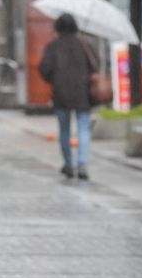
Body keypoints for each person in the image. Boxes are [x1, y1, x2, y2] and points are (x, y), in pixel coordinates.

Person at [39, 13, 99, 180]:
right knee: (83, 129)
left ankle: (68, 164)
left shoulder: (53, 46)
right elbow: (96, 65)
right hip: (82, 93)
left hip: (61, 94)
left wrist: (54, 80)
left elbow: (44, 69)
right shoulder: (84, 44)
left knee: (64, 130)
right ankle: (82, 164)